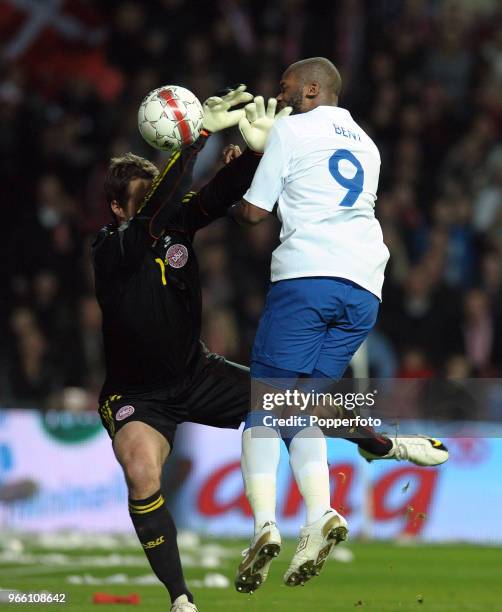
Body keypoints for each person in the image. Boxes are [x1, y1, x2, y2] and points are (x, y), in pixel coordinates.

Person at [231, 59, 449, 592]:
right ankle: (321, 516)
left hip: (308, 277)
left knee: (263, 406)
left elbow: (254, 213)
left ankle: (264, 526)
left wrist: (247, 163)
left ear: (311, 90)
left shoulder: (289, 128)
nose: (279, 100)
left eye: (285, 91)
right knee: (299, 404)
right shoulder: (368, 145)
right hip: (365, 288)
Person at [92, 85, 267, 612]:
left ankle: (384, 442)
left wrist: (253, 154)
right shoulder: (110, 247)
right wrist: (198, 140)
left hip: (196, 373)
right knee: (142, 471)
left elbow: (214, 196)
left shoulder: (175, 222)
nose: (153, 206)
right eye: (141, 199)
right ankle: (181, 600)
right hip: (137, 396)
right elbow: (156, 215)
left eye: (155, 194)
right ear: (117, 206)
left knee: (288, 399)